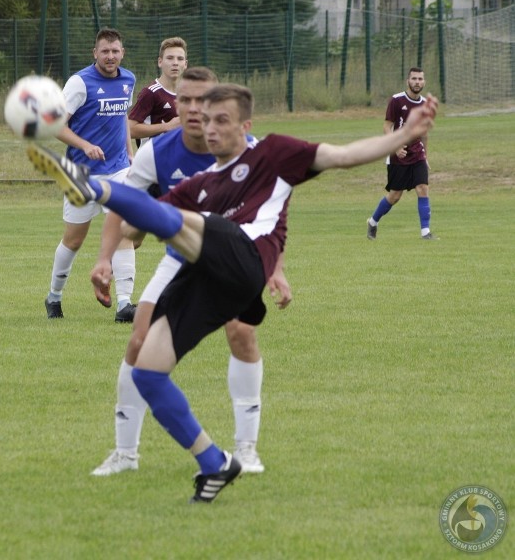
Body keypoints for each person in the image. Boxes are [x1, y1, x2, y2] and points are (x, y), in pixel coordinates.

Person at [27, 83, 439, 503]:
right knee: (147, 372)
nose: (210, 129)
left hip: (246, 263)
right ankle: (214, 462)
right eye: (206, 121)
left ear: (245, 125)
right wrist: (131, 222)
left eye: (221, 120)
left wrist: (404, 136)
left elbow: (342, 156)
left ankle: (94, 187)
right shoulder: (201, 184)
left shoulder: (273, 153)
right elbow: (136, 227)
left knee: (200, 227)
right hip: (203, 276)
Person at [89, 67, 289, 477]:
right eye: (186, 100)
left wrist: (275, 268)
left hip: (235, 263)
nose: (194, 108)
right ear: (175, 103)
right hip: (181, 261)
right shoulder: (156, 153)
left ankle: (246, 449)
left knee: (242, 332)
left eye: (204, 100)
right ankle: (125, 454)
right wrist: (105, 257)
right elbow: (122, 203)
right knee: (139, 342)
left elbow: (275, 208)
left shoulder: (247, 150)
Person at [45, 28, 138, 323]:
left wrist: (129, 152)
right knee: (73, 240)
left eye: (115, 51)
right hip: (81, 175)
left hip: (119, 170)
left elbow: (122, 116)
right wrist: (85, 146)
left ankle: (125, 304)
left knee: (123, 230)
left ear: (122, 53)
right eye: (105, 51)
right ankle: (54, 296)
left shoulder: (128, 79)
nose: (110, 56)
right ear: (94, 53)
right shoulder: (80, 83)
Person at [366, 67, 437, 240]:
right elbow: (386, 126)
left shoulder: (425, 105)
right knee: (395, 196)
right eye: (414, 79)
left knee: (423, 188)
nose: (417, 82)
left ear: (424, 82)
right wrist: (396, 147)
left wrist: (425, 156)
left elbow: (425, 133)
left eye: (420, 79)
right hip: (398, 155)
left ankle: (425, 232)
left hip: (417, 153)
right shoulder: (396, 100)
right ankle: (373, 222)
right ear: (408, 81)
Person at [128, 37, 188, 147]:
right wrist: (167, 126)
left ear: (185, 64)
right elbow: (129, 129)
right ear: (160, 62)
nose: (175, 63)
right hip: (153, 160)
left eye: (180, 59)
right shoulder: (151, 93)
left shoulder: (188, 93)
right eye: (170, 58)